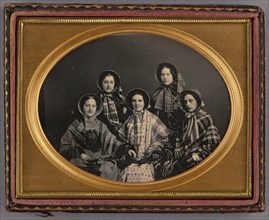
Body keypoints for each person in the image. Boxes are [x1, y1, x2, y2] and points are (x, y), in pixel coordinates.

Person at [59, 94, 122, 180]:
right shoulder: (75, 126)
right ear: (82, 107)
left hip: (100, 160)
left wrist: (126, 148)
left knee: (108, 169)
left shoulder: (101, 125)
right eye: (87, 105)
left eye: (93, 106)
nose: (90, 108)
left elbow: (112, 141)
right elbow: (64, 146)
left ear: (97, 108)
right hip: (81, 161)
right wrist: (79, 153)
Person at [163, 89, 221, 177]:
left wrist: (195, 155)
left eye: (191, 101)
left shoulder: (205, 118)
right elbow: (179, 141)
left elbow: (212, 143)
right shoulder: (184, 121)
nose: (188, 104)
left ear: (197, 101)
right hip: (184, 157)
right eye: (185, 102)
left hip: (201, 158)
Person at [117, 88, 170, 182]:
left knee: (143, 175)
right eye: (134, 101)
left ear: (144, 102)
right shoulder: (129, 120)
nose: (137, 103)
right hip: (131, 159)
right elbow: (123, 139)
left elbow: (162, 138)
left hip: (149, 159)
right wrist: (128, 149)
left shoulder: (153, 119)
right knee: (126, 173)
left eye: (140, 100)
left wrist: (152, 150)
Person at [151, 63, 186, 132]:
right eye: (162, 75)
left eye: (168, 74)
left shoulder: (180, 92)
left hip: (180, 130)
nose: (165, 77)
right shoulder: (157, 93)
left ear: (173, 75)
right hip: (161, 130)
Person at [97, 70, 127, 136]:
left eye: (111, 82)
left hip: (120, 129)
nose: (109, 85)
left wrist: (121, 124)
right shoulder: (98, 99)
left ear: (114, 84)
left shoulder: (119, 97)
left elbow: (124, 114)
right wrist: (112, 127)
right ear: (101, 83)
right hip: (104, 130)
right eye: (106, 82)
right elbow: (100, 119)